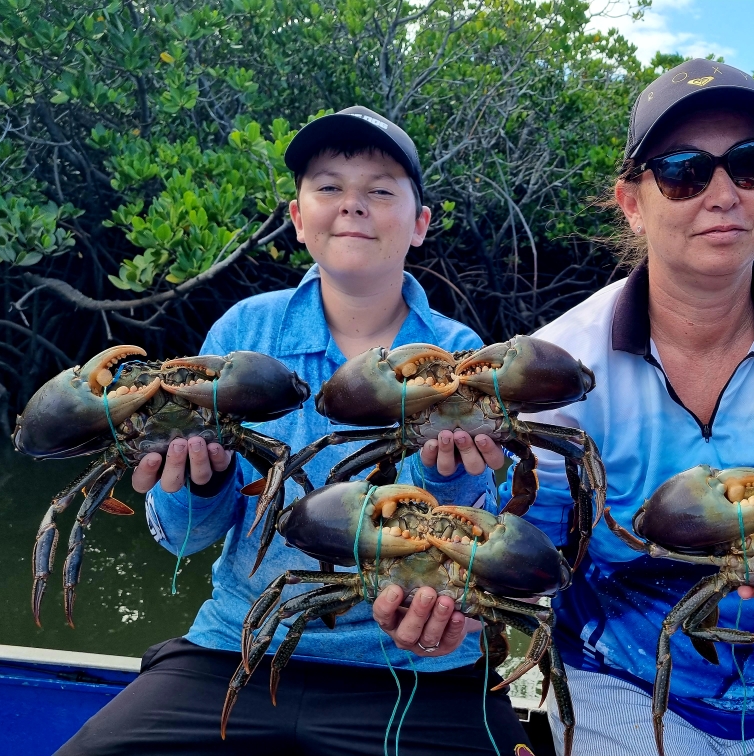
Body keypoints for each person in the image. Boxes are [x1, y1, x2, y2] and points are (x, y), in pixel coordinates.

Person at [412, 60, 754, 755]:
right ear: (632, 202)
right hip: (620, 680)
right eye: (683, 172)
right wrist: (462, 595)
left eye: (750, 164)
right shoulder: (559, 364)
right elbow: (541, 545)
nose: (722, 195)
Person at [57, 106, 530, 756]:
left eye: (380, 190)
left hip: (413, 668)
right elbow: (188, 540)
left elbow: (475, 538)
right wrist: (200, 477)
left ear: (420, 224)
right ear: (297, 219)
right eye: (329, 187)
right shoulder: (243, 336)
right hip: (241, 646)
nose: (352, 206)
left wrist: (452, 472)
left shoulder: (460, 351)